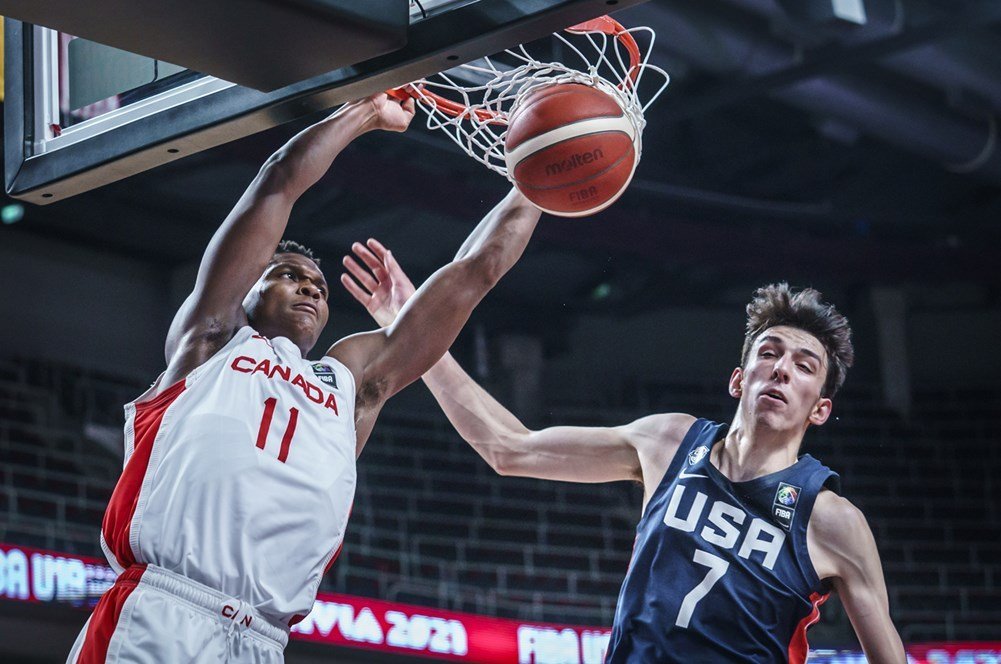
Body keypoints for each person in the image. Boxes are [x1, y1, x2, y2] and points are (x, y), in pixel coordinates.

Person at [68, 92, 542, 663]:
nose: (311, 288)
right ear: (248, 291)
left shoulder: (351, 380)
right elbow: (278, 182)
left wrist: (537, 182)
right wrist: (366, 110)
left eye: (317, 285)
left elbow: (475, 274)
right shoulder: (214, 338)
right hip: (162, 611)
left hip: (263, 640)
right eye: (289, 275)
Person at [341, 240, 906, 663]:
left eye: (804, 366)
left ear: (820, 410)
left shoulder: (832, 520)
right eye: (769, 353)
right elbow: (507, 447)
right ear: (738, 378)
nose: (781, 368)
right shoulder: (667, 442)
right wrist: (411, 334)